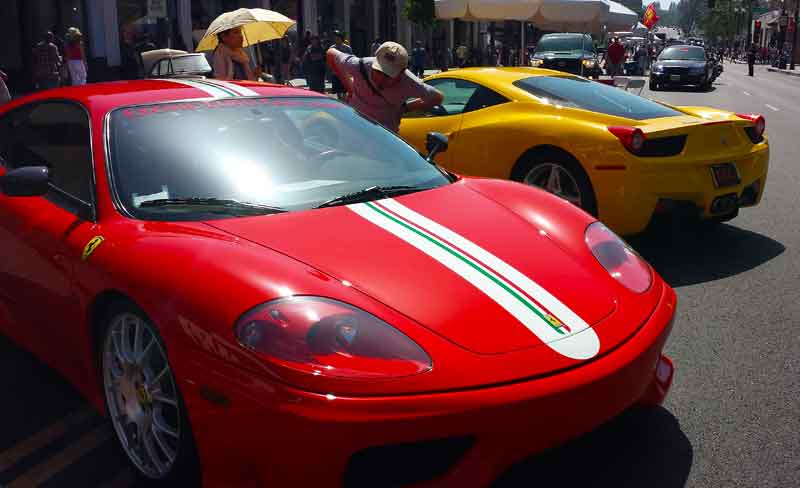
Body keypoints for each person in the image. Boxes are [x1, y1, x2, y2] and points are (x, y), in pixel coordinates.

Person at [327, 41, 443, 133]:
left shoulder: (410, 82)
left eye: (388, 75)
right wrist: (350, 87)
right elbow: (331, 53)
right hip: (355, 128)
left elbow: (438, 97)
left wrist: (406, 108)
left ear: (401, 72)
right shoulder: (359, 65)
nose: (381, 78)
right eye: (378, 71)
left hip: (385, 137)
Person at [329, 30, 352, 98]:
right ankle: (339, 99)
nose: (336, 39)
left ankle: (344, 100)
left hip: (344, 72)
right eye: (335, 38)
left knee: (344, 89)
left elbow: (351, 58)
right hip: (335, 72)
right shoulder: (332, 48)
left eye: (338, 38)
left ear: (341, 38)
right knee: (337, 89)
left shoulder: (347, 48)